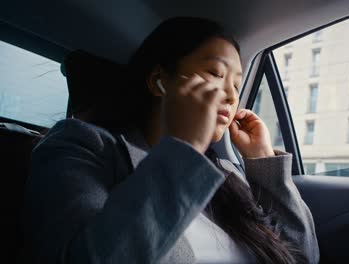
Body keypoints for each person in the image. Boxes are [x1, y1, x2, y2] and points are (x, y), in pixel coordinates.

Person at [23, 17, 319, 264]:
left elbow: (303, 255)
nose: (230, 95)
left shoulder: (227, 174)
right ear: (159, 81)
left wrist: (263, 161)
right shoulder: (81, 145)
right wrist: (184, 147)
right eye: (215, 74)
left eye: (237, 84)